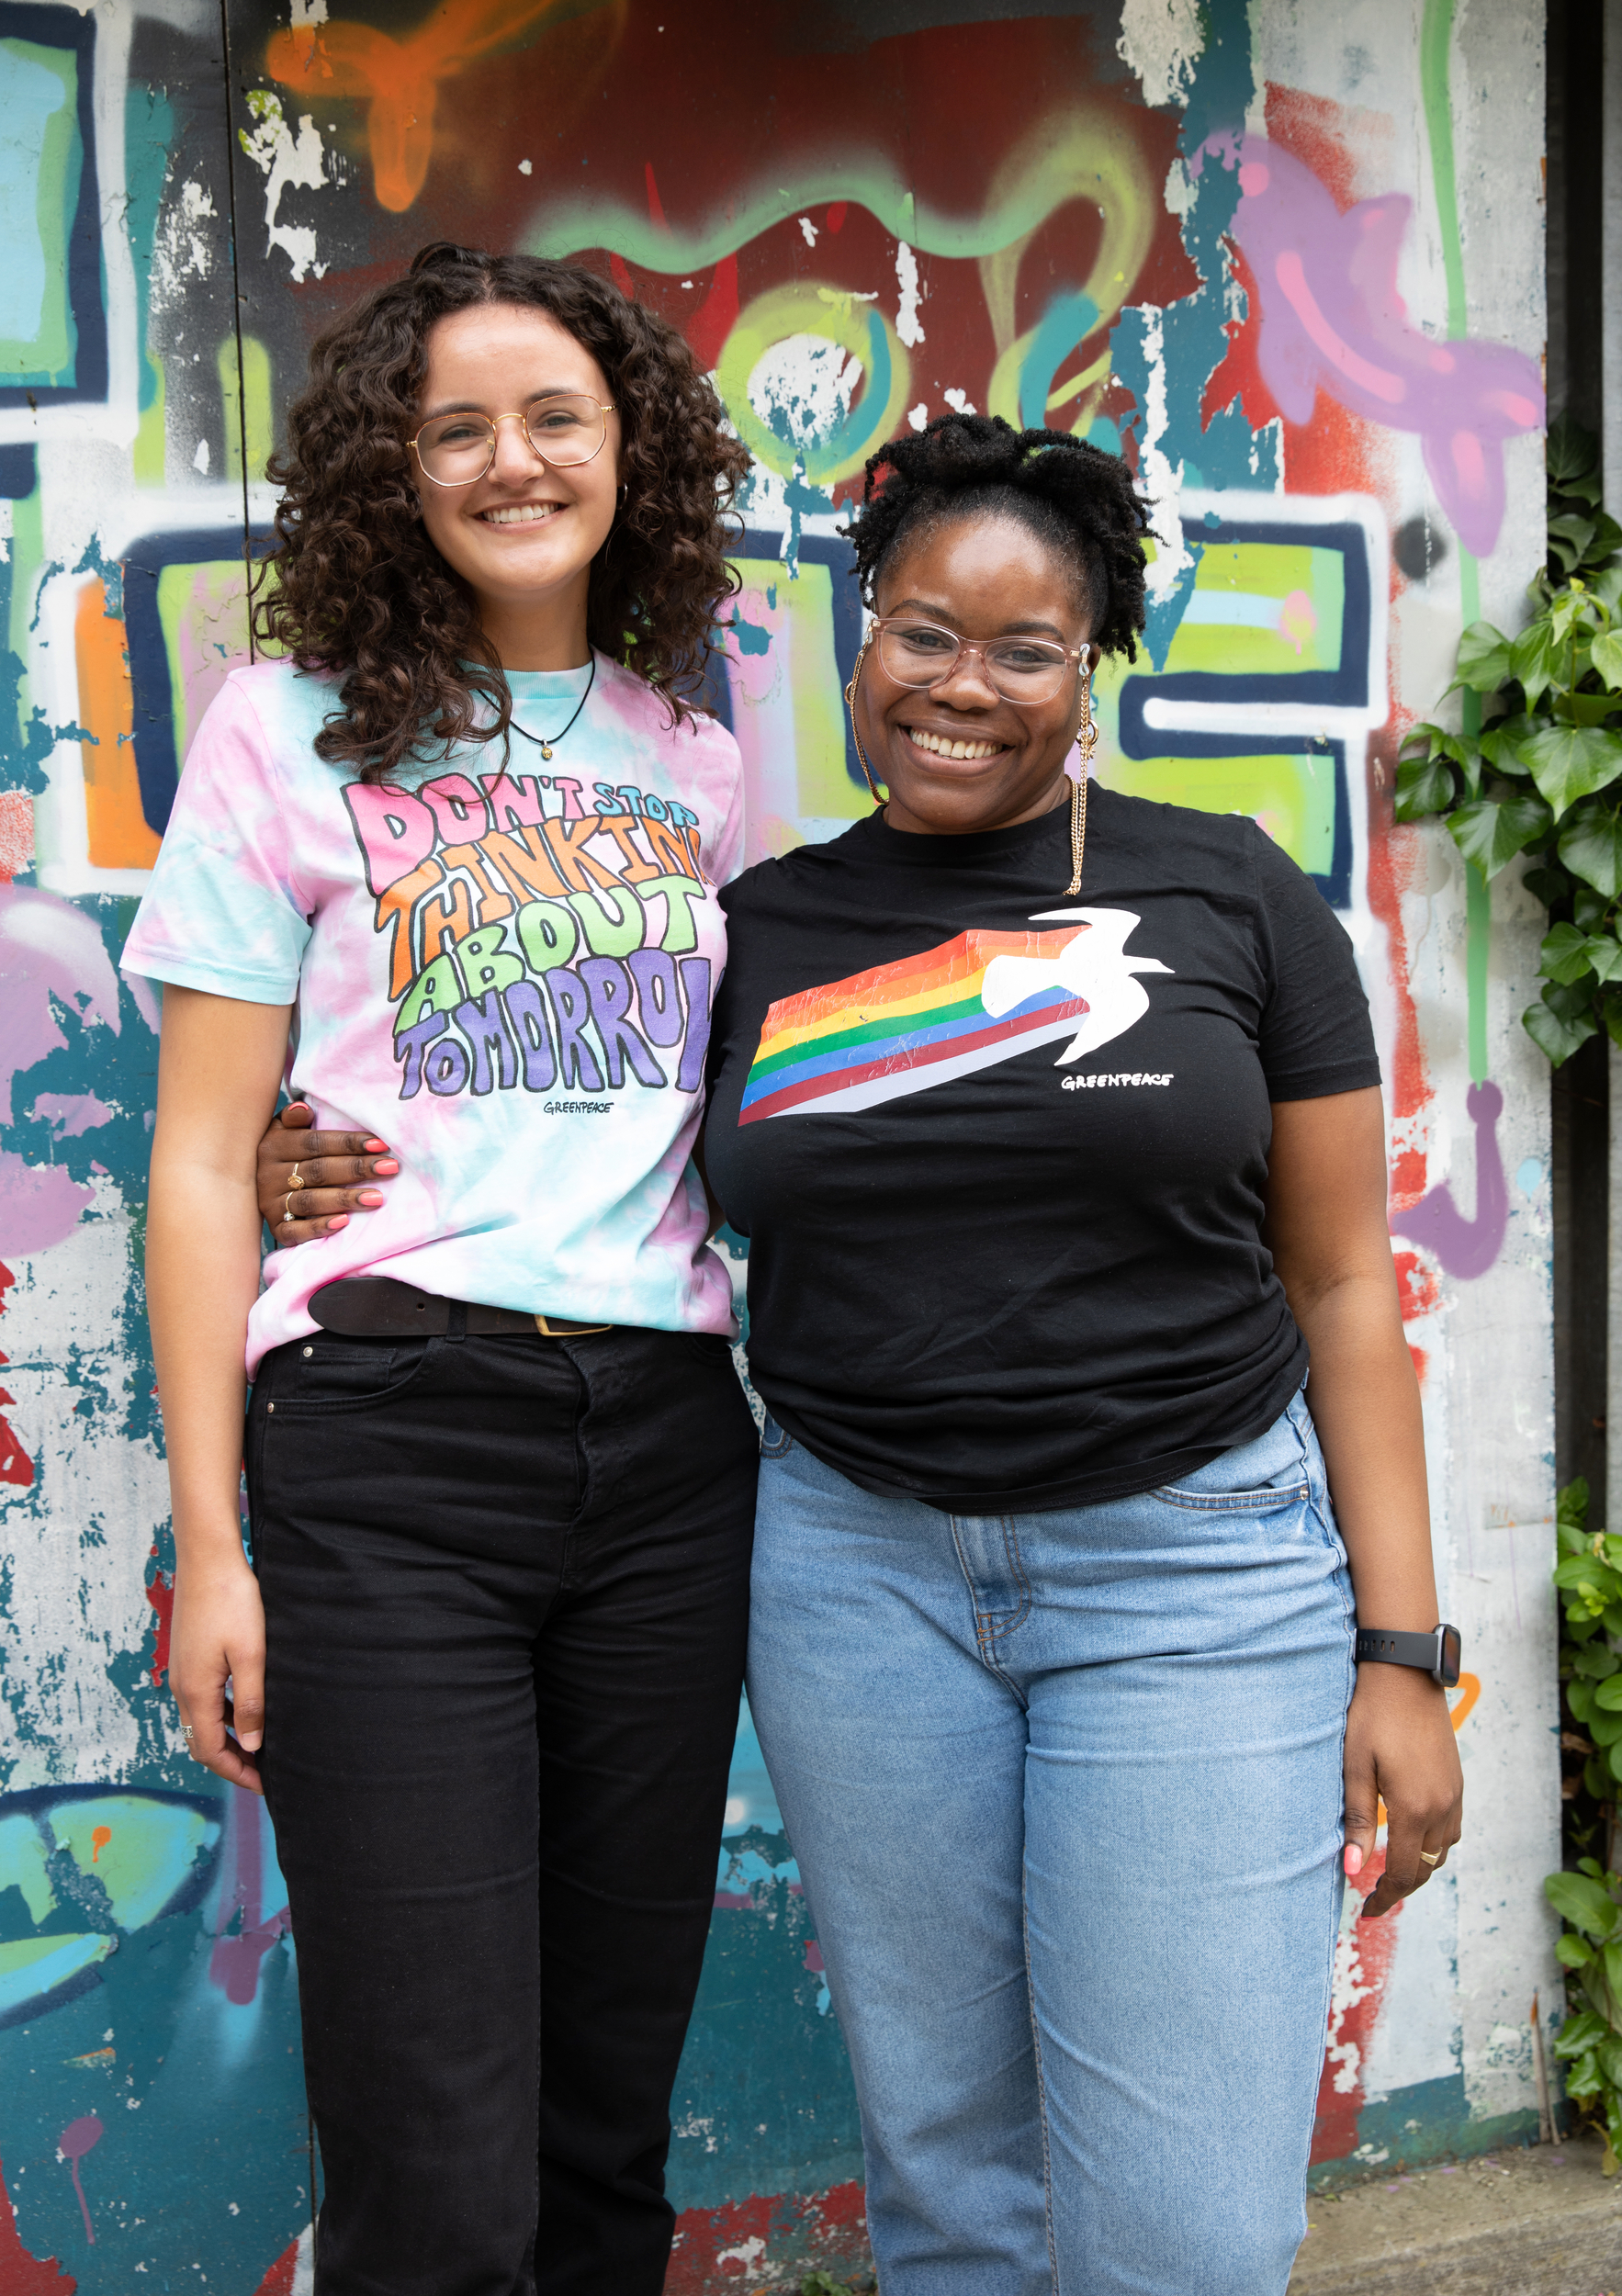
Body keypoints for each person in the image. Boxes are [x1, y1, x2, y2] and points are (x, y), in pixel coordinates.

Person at [257, 413, 1465, 2296]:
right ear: (859, 638)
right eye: (920, 631)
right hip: (856, 1577)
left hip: (1193, 1575)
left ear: (1092, 665)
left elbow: (1334, 1284)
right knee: (951, 2188)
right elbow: (548, 1104)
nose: (959, 686)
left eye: (1022, 647)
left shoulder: (1232, 900)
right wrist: (292, 1145)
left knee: (1187, 2232)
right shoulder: (760, 927)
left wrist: (1400, 1645)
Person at [125, 243, 758, 2296]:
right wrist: (210, 1544)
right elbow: (209, 1161)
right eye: (454, 427)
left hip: (667, 1447)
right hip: (391, 1443)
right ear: (389, 473)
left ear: (629, 449)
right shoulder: (284, 729)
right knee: (438, 2132)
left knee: (604, 2119)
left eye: (555, 415)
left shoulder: (699, 753)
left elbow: (726, 1114)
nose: (510, 460)